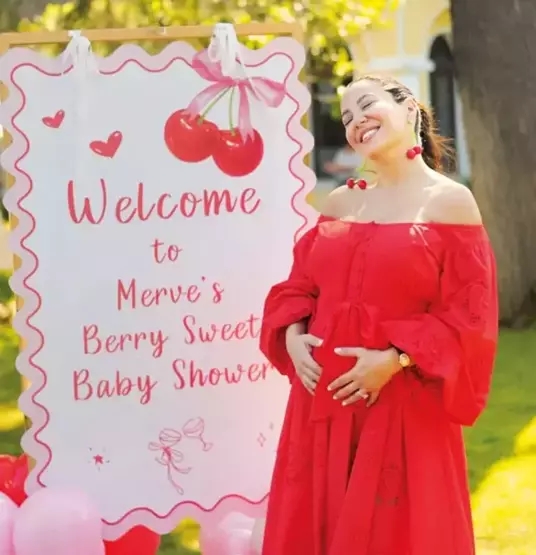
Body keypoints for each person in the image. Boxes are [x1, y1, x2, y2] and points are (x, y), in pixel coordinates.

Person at [259, 74, 498, 555]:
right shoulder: (341, 201)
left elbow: (471, 316)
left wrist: (396, 359)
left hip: (401, 410)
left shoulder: (450, 201)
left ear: (409, 108)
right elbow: (300, 286)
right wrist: (292, 335)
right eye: (346, 117)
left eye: (366, 105)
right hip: (321, 408)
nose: (355, 122)